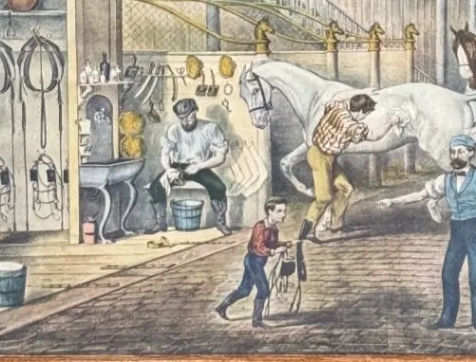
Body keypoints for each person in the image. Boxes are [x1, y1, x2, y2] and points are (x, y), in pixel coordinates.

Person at [377, 133, 476, 334]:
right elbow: (420, 195)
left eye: (460, 151)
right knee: (448, 275)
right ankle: (447, 319)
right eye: (453, 152)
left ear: (470, 153)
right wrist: (392, 201)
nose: (456, 156)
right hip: (457, 229)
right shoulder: (445, 179)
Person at [148, 97, 231, 234]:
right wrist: (168, 169)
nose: (186, 121)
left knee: (218, 187)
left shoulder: (209, 128)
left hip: (200, 167)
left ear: (195, 112)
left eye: (189, 117)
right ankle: (160, 223)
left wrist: (199, 167)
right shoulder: (174, 130)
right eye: (182, 118)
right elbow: (165, 153)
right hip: (177, 167)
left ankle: (221, 222)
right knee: (156, 186)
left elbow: (220, 157)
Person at [303, 92, 378, 242]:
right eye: (366, 114)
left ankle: (336, 227)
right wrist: (392, 122)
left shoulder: (339, 108)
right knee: (324, 197)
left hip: (329, 158)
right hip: (319, 156)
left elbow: (334, 103)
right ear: (360, 111)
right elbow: (372, 136)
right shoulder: (347, 122)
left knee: (345, 188)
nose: (365, 118)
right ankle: (306, 232)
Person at [216, 197, 289, 327]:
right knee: (263, 290)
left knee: (244, 290)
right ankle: (257, 321)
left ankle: (221, 307)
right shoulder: (260, 227)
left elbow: (272, 244)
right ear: (270, 211)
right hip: (253, 261)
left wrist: (284, 244)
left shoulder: (274, 228)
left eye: (284, 211)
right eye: (279, 211)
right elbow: (258, 247)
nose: (283, 214)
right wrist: (274, 251)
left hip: (258, 262)